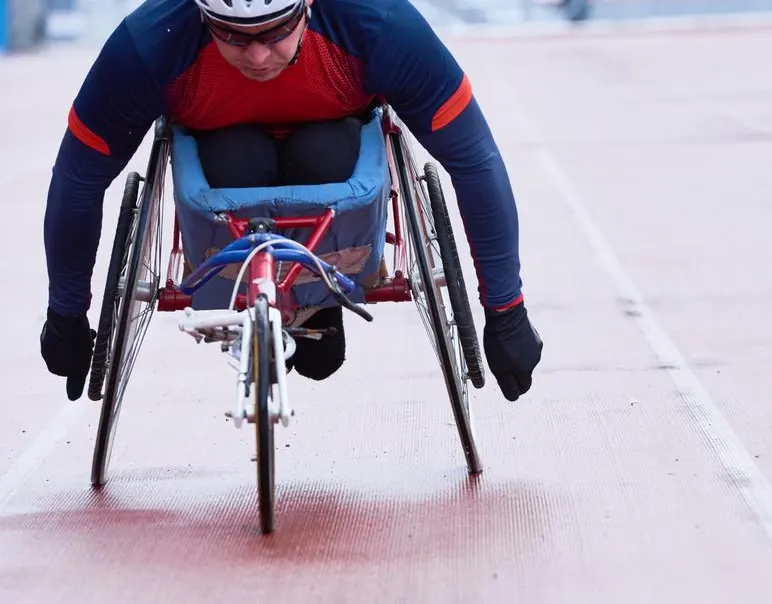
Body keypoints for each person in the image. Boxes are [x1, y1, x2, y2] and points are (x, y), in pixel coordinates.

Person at [39, 0, 543, 402]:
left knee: (324, 149)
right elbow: (79, 177)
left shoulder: (379, 24)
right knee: (238, 156)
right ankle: (279, 297)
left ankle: (319, 303)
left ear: (308, 6)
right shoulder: (149, 44)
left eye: (276, 31)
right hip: (226, 168)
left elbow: (474, 158)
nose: (258, 57)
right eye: (234, 36)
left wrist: (506, 309)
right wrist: (66, 315)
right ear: (201, 16)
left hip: (333, 159)